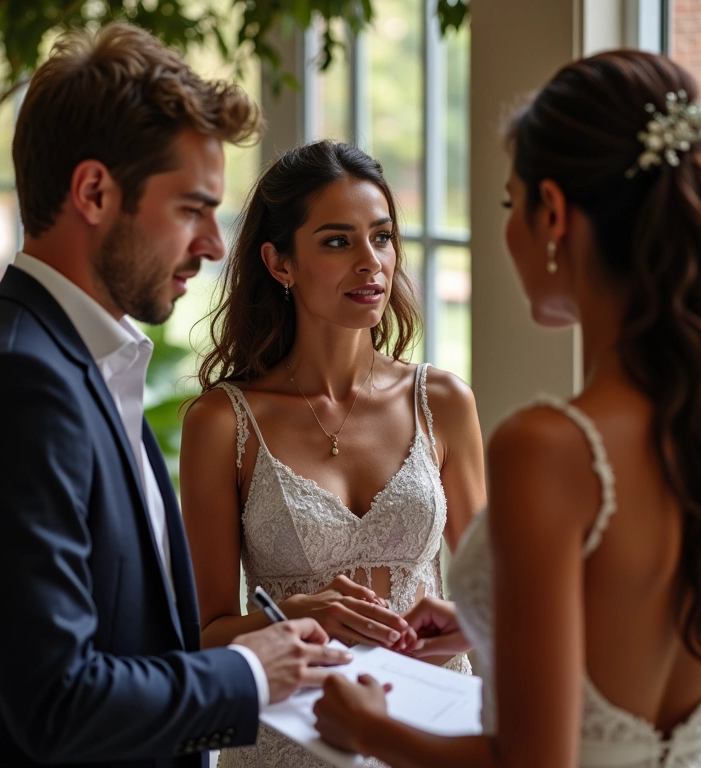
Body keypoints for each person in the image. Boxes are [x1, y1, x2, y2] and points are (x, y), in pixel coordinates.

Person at [0, 24, 353, 768]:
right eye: (192, 209)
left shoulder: (83, 362)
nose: (212, 245)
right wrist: (253, 672)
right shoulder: (18, 384)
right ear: (95, 191)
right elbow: (58, 700)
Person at [312, 49, 701, 768]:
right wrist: (487, 620)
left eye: (509, 202)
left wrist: (369, 730)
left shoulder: (552, 447)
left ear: (552, 211)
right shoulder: (697, 420)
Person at [179, 139, 486, 767]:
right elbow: (203, 639)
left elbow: (500, 595)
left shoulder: (444, 401)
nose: (371, 263)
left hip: (434, 736)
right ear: (280, 262)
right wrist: (285, 617)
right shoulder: (222, 423)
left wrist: (457, 625)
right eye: (337, 241)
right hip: (289, 745)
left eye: (382, 236)